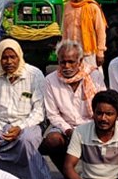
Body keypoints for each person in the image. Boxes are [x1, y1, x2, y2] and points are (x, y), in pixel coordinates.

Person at [0, 39, 51, 179]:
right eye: (4, 58)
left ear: (20, 56)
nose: (9, 62)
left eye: (13, 57)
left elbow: (39, 111)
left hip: (28, 123)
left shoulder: (34, 74)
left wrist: (21, 127)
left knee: (26, 140)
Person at [39, 40, 106, 170]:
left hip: (92, 125)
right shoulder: (50, 80)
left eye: (71, 62)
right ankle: (68, 175)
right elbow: (52, 114)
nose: (67, 66)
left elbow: (102, 106)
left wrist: (88, 129)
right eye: (62, 62)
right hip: (65, 127)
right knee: (52, 140)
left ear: (80, 61)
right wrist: (68, 130)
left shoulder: (94, 76)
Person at [61, 0, 107, 67]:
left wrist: (100, 52)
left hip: (89, 54)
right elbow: (65, 32)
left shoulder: (92, 7)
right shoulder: (67, 6)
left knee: (92, 79)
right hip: (72, 53)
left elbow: (100, 31)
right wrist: (64, 49)